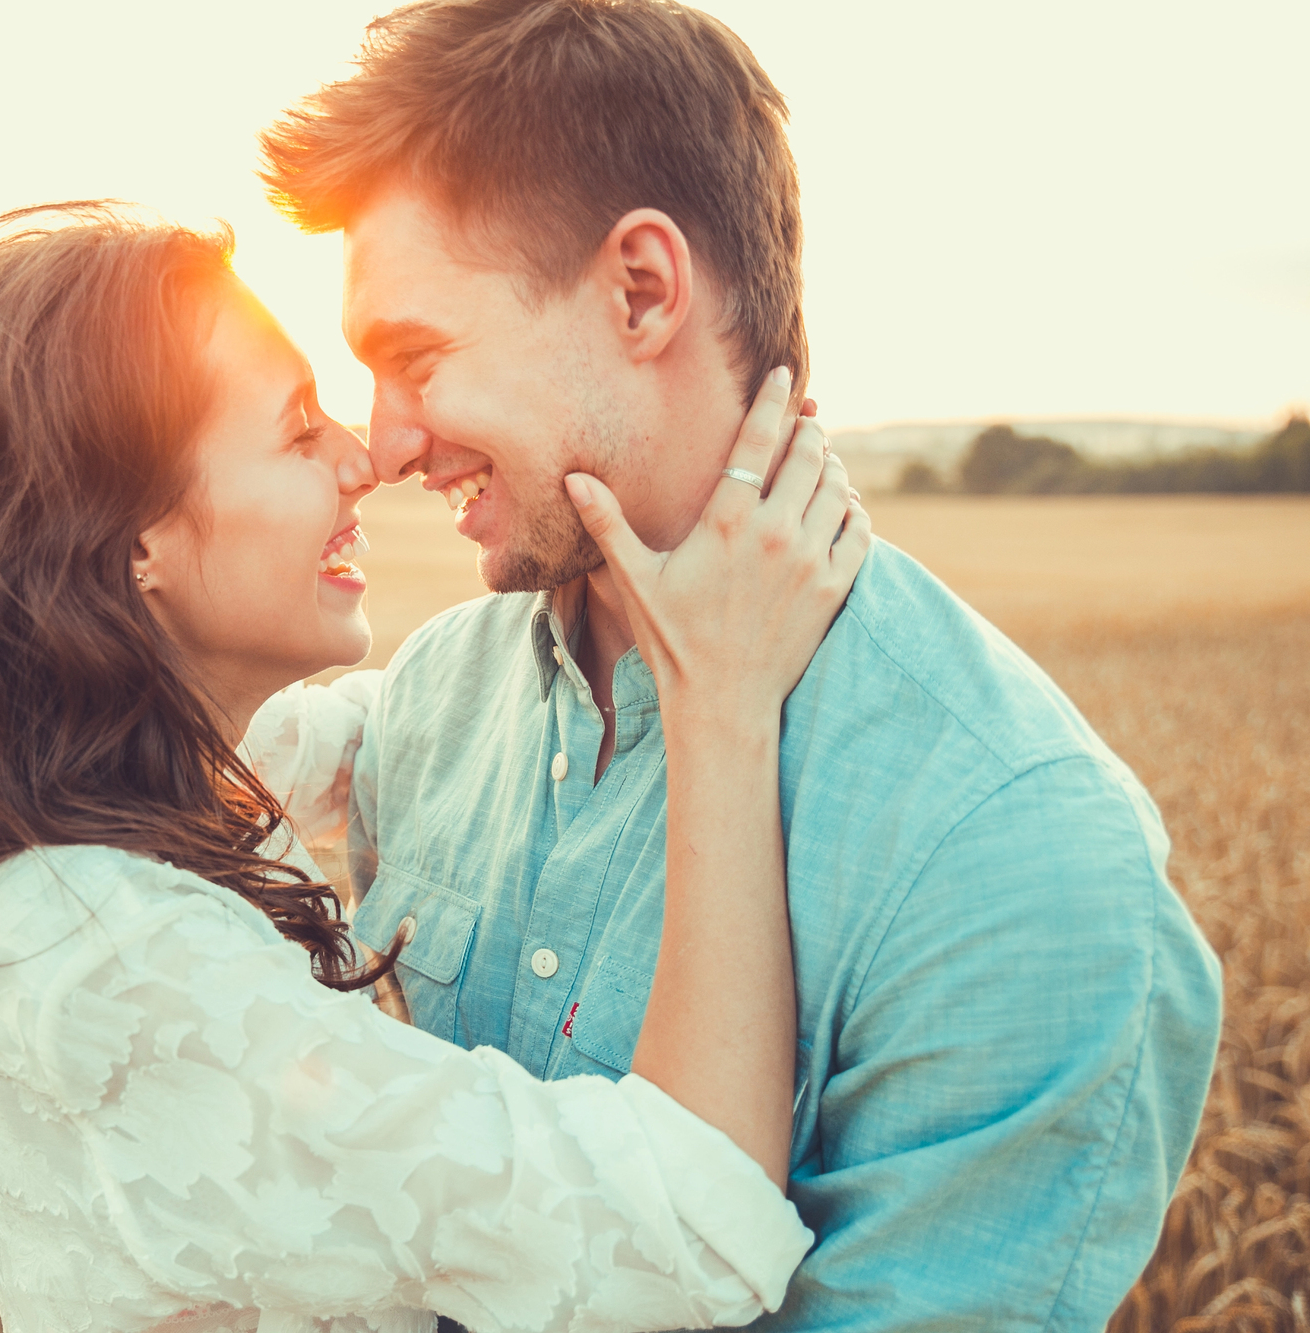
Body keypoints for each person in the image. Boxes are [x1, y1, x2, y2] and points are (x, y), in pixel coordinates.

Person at [256, 1, 1224, 1328]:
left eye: (416, 359)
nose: (387, 443)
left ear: (644, 289)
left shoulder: (1028, 859)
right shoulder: (434, 699)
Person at [0, 202, 869, 1332]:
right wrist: (718, 699)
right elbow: (686, 1236)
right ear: (128, 538)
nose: (363, 458)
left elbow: (411, 731)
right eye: (296, 434)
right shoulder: (116, 959)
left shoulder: (109, 788)